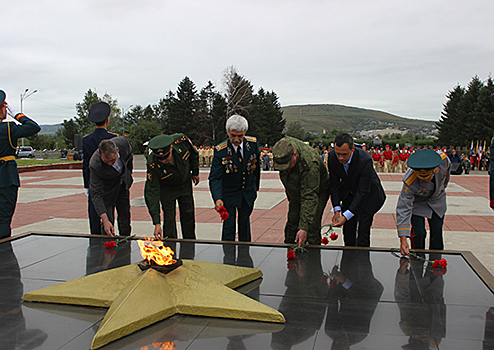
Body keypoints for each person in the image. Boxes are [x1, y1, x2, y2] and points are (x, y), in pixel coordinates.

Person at [328, 133, 386, 247]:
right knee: (348, 230)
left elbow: (363, 191)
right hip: (349, 193)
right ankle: (348, 258)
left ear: (352, 149)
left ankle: (362, 261)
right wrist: (337, 209)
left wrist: (345, 216)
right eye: (338, 153)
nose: (340, 158)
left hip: (369, 196)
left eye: (344, 154)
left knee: (363, 230)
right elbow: (334, 184)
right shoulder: (332, 157)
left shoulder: (365, 160)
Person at [209, 115, 260, 241]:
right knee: (229, 226)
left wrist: (255, 189)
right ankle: (228, 256)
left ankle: (245, 255)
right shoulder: (220, 150)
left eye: (240, 136)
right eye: (233, 135)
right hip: (229, 193)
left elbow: (257, 168)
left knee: (245, 224)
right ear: (227, 132)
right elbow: (215, 177)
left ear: (245, 133)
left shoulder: (252, 144)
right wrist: (218, 198)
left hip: (247, 193)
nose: (236, 139)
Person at [272, 137, 330, 247]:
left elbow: (309, 196)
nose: (286, 168)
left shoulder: (310, 163)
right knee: (292, 224)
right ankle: (290, 251)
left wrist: (304, 227)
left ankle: (312, 258)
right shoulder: (281, 149)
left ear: (294, 154)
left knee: (311, 228)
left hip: (317, 192)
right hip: (296, 191)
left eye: (288, 165)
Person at [0, 90, 40, 238]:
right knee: (3, 219)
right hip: (5, 176)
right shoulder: (8, 129)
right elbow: (33, 127)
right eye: (5, 107)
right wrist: (16, 114)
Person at [144, 134, 199, 240]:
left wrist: (195, 172)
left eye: (166, 156)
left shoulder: (181, 141)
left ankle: (190, 244)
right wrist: (156, 222)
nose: (164, 160)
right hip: (167, 189)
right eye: (160, 158)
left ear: (171, 148)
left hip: (184, 183)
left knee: (188, 214)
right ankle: (170, 246)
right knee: (169, 219)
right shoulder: (152, 163)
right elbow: (152, 192)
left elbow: (194, 154)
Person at [396, 149, 451, 255]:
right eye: (422, 179)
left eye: (428, 178)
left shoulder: (443, 160)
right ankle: (417, 260)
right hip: (418, 202)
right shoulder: (410, 181)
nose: (425, 181)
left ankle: (436, 260)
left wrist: (441, 187)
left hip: (437, 198)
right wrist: (403, 238)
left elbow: (446, 175)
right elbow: (403, 207)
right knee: (419, 232)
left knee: (437, 231)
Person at [82, 102, 118, 235]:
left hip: (93, 182)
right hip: (109, 183)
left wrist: (87, 185)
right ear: (107, 121)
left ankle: (95, 241)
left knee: (93, 213)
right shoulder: (114, 138)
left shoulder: (86, 140)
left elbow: (86, 165)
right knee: (109, 213)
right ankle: (109, 240)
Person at [89, 137, 133, 237]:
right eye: (106, 161)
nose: (109, 163)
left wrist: (128, 175)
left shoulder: (123, 144)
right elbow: (96, 194)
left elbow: (129, 158)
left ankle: (125, 242)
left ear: (117, 150)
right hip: (106, 190)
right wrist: (104, 219)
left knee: (125, 217)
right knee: (108, 222)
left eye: (112, 160)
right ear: (100, 154)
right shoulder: (95, 164)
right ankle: (108, 243)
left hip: (122, 184)